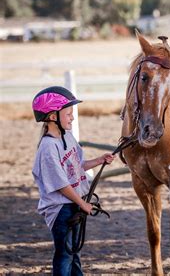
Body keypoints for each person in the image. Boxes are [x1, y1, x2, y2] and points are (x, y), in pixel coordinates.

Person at [31, 86, 115, 275]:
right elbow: (60, 184)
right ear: (53, 117)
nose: (72, 118)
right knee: (65, 254)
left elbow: (76, 166)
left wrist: (99, 160)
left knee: (73, 252)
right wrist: (82, 204)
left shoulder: (67, 136)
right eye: (68, 114)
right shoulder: (48, 148)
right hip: (61, 207)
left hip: (73, 202)